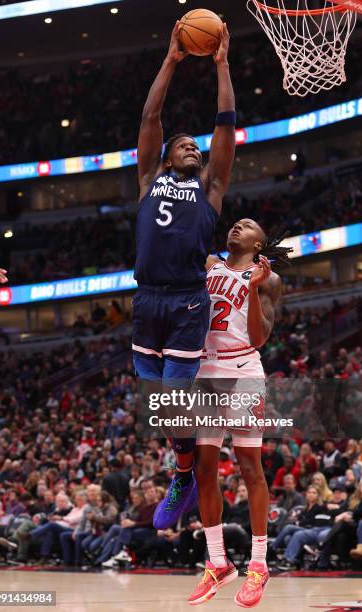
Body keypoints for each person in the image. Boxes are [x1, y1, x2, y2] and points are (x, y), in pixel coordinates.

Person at [132, 21, 236, 529]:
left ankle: (184, 472)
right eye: (183, 145)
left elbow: (224, 124)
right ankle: (186, 466)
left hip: (188, 302)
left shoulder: (211, 188)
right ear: (166, 156)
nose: (192, 148)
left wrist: (221, 65)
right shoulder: (149, 178)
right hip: (146, 299)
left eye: (195, 146)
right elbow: (151, 114)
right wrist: (172, 59)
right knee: (158, 407)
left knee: (172, 404)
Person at [188, 219, 291, 607]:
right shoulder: (210, 263)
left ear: (259, 242)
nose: (237, 227)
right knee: (203, 468)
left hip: (242, 369)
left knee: (250, 466)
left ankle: (259, 566)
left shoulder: (268, 278)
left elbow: (260, 337)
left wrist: (249, 289)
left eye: (247, 227)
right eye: (234, 224)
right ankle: (217, 562)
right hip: (205, 371)